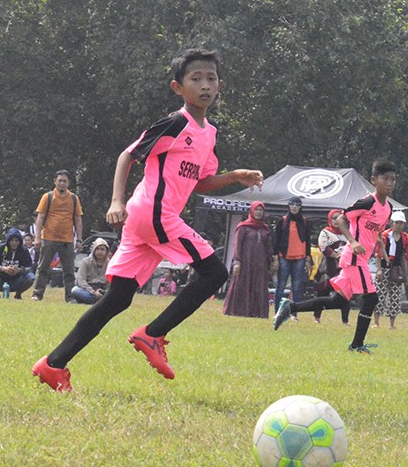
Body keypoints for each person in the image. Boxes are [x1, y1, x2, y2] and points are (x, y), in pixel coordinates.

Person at [32, 49, 264, 391]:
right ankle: (152, 334)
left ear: (220, 86)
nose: (204, 85)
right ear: (177, 87)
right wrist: (116, 200)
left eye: (211, 79)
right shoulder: (175, 122)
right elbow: (129, 154)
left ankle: (53, 364)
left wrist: (234, 176)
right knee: (215, 272)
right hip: (154, 214)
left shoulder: (208, 133)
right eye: (195, 79)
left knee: (118, 298)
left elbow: (200, 183)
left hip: (149, 220)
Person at [274, 159, 397, 355]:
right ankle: (357, 345)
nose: (390, 183)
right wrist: (353, 241)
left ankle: (290, 307)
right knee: (371, 298)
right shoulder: (367, 202)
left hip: (362, 259)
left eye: (393, 179)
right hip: (353, 257)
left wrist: (380, 247)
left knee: (338, 302)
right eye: (385, 179)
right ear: (374, 180)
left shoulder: (388, 208)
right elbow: (341, 218)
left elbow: (377, 232)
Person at [31, 170, 84, 302]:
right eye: (59, 180)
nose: (62, 183)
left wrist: (80, 239)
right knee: (43, 268)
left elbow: (78, 219)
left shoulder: (73, 198)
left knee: (69, 271)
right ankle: (37, 294)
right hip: (48, 237)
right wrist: (37, 237)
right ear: (55, 181)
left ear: (69, 183)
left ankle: (70, 297)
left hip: (67, 239)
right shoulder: (47, 197)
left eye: (65, 181)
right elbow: (40, 217)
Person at [222, 201, 274, 319]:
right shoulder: (243, 227)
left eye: (261, 210)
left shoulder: (265, 229)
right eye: (256, 210)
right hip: (246, 261)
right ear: (251, 211)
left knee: (258, 285)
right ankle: (238, 311)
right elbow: (237, 245)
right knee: (243, 284)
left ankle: (257, 312)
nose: (258, 212)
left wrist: (271, 260)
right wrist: (237, 261)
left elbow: (268, 247)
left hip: (260, 263)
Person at [374, 211, 408, 329]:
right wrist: (379, 269)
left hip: (397, 270)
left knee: (395, 297)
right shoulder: (385, 236)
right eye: (397, 222)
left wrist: (406, 275)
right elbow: (378, 253)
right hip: (384, 268)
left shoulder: (405, 238)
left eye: (401, 223)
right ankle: (376, 322)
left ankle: (392, 324)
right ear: (392, 223)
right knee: (379, 295)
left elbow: (404, 257)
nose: (399, 225)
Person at [273, 196, 310, 314]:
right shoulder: (282, 221)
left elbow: (308, 241)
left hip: (300, 256)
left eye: (297, 204)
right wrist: (275, 258)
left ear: (300, 207)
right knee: (281, 285)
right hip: (284, 256)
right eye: (292, 204)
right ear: (288, 206)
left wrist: (308, 258)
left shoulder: (304, 221)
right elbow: (276, 240)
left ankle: (294, 313)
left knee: (297, 287)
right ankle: (277, 311)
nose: (294, 207)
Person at [313, 210, 351, 324]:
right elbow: (323, 246)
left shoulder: (347, 233)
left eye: (338, 218)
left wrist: (344, 256)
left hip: (342, 268)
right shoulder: (325, 232)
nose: (336, 221)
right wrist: (336, 255)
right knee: (322, 292)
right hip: (327, 267)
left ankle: (345, 321)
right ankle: (317, 317)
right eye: (334, 218)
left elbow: (351, 245)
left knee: (345, 294)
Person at [0, 227, 36, 299]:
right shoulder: (0, 248)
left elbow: (29, 267)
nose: (14, 243)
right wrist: (2, 268)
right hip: (0, 278)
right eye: (12, 240)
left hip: (16, 280)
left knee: (31, 277)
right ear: (8, 241)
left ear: (20, 241)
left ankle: (18, 295)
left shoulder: (23, 250)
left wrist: (19, 270)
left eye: (16, 241)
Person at [72, 237, 111, 305]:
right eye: (97, 249)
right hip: (87, 290)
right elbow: (81, 280)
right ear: (94, 250)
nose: (100, 252)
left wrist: (105, 292)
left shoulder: (110, 264)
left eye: (102, 249)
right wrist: (92, 291)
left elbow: (110, 283)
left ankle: (98, 301)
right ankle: (99, 302)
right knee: (75, 290)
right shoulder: (86, 261)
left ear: (106, 251)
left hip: (102, 290)